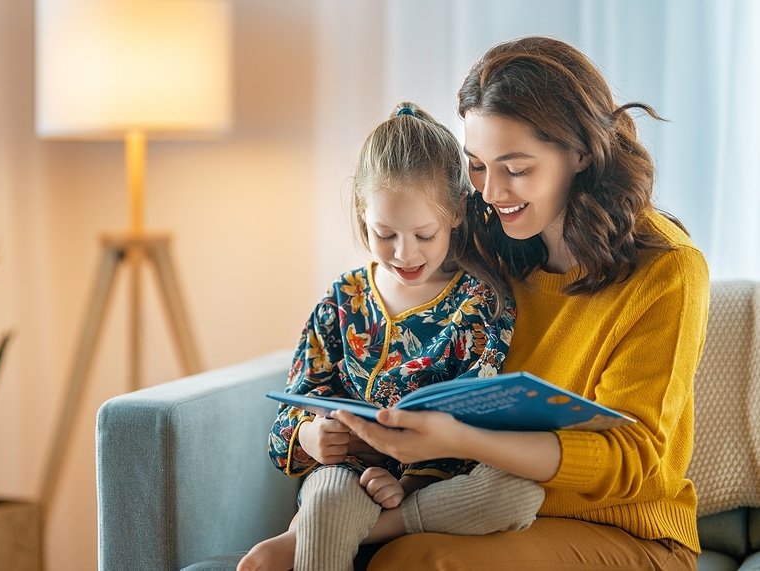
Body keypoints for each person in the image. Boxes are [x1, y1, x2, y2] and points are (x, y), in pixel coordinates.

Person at [332, 36, 710, 571]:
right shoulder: (489, 241)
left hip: (626, 532)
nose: (490, 193)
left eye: (516, 169)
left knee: (416, 561)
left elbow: (634, 461)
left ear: (580, 153)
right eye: (478, 167)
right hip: (489, 509)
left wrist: (464, 439)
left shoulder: (666, 268)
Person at [235, 102, 545, 571]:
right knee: (330, 495)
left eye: (424, 234)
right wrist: (311, 437)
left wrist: (409, 486)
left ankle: (317, 535)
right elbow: (294, 404)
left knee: (517, 493)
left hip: (435, 486)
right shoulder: (344, 299)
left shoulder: (480, 304)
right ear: (363, 215)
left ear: (458, 213)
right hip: (346, 474)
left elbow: (478, 423)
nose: (405, 253)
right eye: (384, 234)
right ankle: (327, 522)